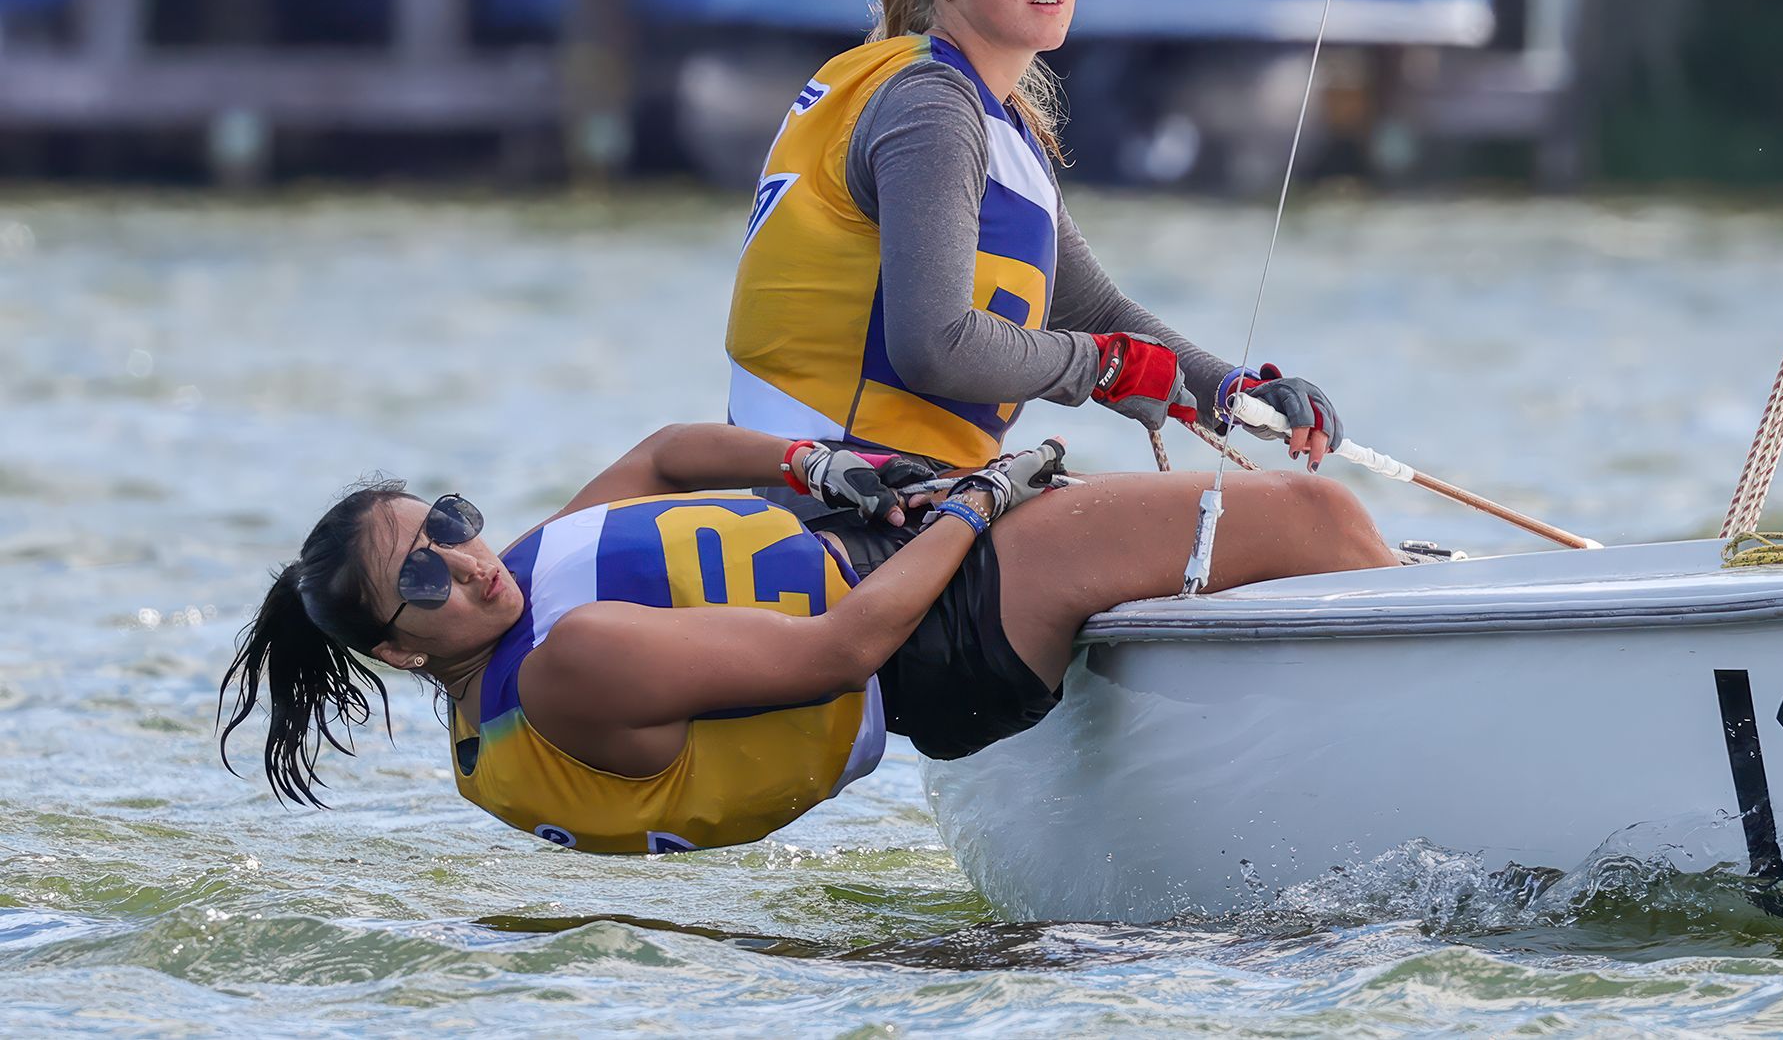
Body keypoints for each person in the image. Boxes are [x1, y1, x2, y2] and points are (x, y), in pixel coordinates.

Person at [218, 423, 1394, 854]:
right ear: (404, 653)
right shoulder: (566, 666)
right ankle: (1436, 705)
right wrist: (978, 502)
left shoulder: (522, 585)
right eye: (423, 576)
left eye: (450, 523)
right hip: (934, 639)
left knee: (1230, 526)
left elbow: (669, 453)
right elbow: (839, 653)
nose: (470, 561)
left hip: (898, 574)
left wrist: (812, 463)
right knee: (1318, 512)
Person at [725, 0, 1341, 515]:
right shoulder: (930, 107)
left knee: (1298, 512)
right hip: (861, 515)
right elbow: (934, 345)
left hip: (928, 500)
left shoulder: (995, 119)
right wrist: (1103, 366)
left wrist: (1234, 392)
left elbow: (1099, 311)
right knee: (1313, 513)